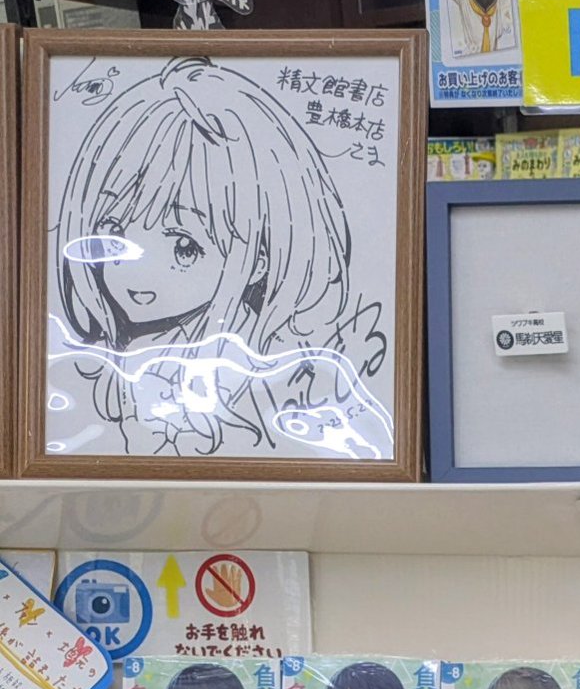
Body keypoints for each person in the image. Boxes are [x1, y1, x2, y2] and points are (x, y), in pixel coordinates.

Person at [52, 57, 390, 461]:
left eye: (184, 246)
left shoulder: (258, 362)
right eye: (113, 232)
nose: (136, 273)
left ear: (261, 256)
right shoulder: (97, 358)